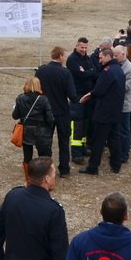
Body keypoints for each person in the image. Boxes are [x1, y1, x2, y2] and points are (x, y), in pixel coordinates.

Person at [78, 48, 125, 175]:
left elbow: (99, 89)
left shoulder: (108, 71)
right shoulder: (118, 69)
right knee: (114, 138)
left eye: (101, 58)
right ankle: (116, 165)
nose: (99, 60)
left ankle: (93, 167)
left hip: (105, 112)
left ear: (108, 56)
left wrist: (89, 95)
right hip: (115, 110)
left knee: (98, 140)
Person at [36, 47, 78, 177]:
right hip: (62, 111)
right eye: (64, 56)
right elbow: (72, 95)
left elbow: (36, 89)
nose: (65, 58)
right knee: (64, 141)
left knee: (45, 141)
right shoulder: (65, 73)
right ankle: (64, 169)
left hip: (45, 111)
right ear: (60, 56)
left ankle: (44, 168)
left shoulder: (41, 70)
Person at [13, 77, 55, 179]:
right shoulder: (43, 99)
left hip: (26, 130)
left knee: (27, 156)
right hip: (42, 131)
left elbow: (15, 116)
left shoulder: (20, 98)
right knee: (44, 156)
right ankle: (44, 177)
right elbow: (50, 119)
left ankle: (29, 178)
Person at [67, 38, 98, 164]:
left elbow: (94, 72)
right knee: (77, 124)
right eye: (82, 48)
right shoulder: (72, 59)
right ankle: (76, 153)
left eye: (86, 48)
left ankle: (83, 147)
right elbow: (80, 75)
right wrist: (88, 72)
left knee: (86, 122)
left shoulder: (87, 58)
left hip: (87, 95)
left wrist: (87, 72)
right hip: (77, 96)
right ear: (76, 46)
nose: (84, 50)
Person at [112, 46, 131, 165]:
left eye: (116, 55)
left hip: (124, 105)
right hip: (116, 103)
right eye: (113, 55)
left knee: (124, 131)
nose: (114, 58)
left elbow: (127, 87)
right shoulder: (117, 65)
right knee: (117, 130)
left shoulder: (130, 68)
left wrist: (112, 83)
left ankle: (124, 155)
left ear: (123, 54)